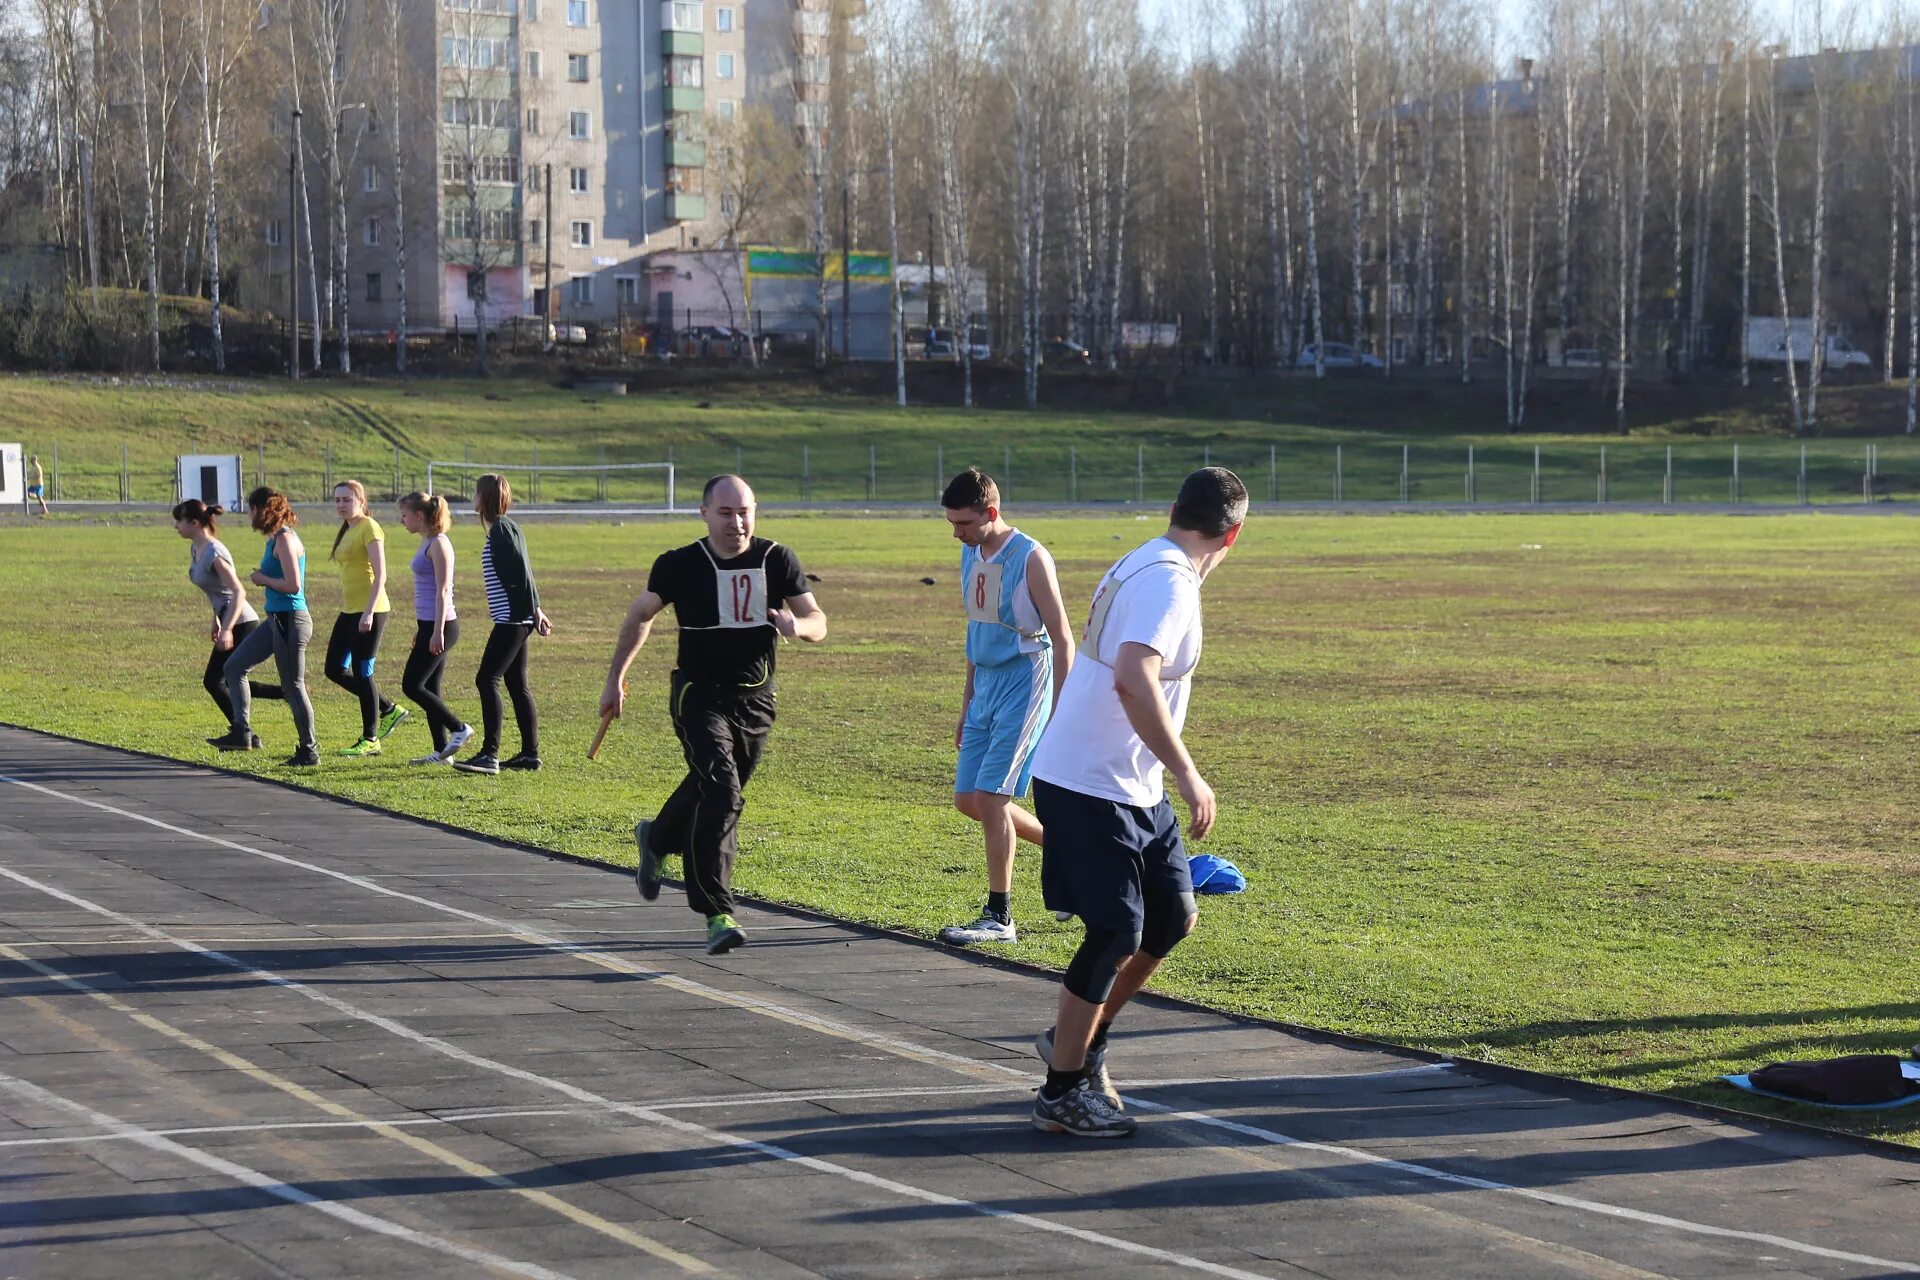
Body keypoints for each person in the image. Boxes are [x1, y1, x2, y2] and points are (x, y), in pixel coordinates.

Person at [1026, 467, 1248, 1139]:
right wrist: (1188, 771)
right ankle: (1061, 1092)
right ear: (1233, 535)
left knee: (1173, 918)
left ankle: (1081, 1042)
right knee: (1115, 931)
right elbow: (1132, 675)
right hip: (1091, 779)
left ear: (1175, 511)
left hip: (1128, 783)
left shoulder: (1148, 558)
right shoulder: (1169, 582)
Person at [599, 474, 826, 955]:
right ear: (704, 514)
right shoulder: (679, 564)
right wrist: (615, 678)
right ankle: (716, 912)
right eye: (725, 513)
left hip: (756, 699)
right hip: (697, 696)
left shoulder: (776, 558)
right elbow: (640, 614)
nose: (737, 523)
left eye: (745, 512)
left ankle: (657, 838)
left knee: (717, 787)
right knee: (723, 793)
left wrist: (796, 625)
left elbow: (817, 620)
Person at [936, 468, 1074, 946]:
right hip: (986, 684)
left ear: (990, 513)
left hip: (1025, 679)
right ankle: (1070, 855)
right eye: (952, 523)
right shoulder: (968, 553)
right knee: (969, 801)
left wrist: (1062, 713)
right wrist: (966, 702)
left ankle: (1000, 916)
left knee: (994, 799)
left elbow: (1062, 637)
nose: (957, 532)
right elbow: (976, 631)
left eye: (964, 523)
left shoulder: (1031, 557)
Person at [212, 486, 319, 767]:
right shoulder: (275, 539)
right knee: (234, 667)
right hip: (275, 620)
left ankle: (309, 751)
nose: (250, 515)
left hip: (290, 620)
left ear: (264, 510)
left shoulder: (284, 539)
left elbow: (293, 585)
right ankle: (241, 732)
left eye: (252, 509)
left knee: (293, 686)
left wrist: (262, 580)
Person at [454, 474, 552, 775]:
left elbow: (522, 573)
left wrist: (532, 611)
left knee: (487, 679)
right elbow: (526, 571)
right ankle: (529, 754)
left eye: (475, 494)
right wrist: (535, 609)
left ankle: (489, 755)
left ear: (484, 498)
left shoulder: (501, 531)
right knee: (516, 684)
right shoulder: (507, 528)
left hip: (511, 620)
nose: (473, 499)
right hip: (517, 617)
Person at [174, 499, 281, 741]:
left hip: (241, 620)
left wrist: (228, 629)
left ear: (194, 523)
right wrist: (217, 620)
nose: (175, 526)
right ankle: (268, 708)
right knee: (225, 679)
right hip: (227, 618)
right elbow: (218, 591)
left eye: (179, 520)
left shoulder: (213, 552)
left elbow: (237, 591)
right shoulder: (196, 548)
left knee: (216, 680)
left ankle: (244, 733)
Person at [324, 480, 406, 756]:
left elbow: (381, 574)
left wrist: (369, 612)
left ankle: (370, 738)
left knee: (362, 672)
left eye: (347, 499)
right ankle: (388, 708)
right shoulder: (348, 529)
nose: (341, 505)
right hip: (349, 610)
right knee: (334, 669)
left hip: (370, 611)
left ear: (361, 500)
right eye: (337, 500)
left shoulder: (370, 527)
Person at [396, 492, 473, 765]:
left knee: (412, 685)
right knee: (430, 686)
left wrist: (437, 631)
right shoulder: (427, 541)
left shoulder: (439, 544)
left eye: (404, 515)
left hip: (442, 625)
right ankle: (442, 752)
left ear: (419, 515)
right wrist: (423, 628)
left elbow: (443, 591)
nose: (402, 520)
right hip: (429, 624)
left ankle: (459, 728)